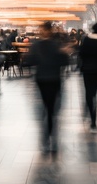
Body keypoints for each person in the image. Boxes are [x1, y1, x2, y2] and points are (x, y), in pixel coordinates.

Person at [24, 21, 70, 153]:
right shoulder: (57, 45)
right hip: (54, 79)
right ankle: (52, 139)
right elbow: (64, 61)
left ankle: (45, 140)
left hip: (42, 79)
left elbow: (29, 61)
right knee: (52, 111)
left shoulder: (36, 45)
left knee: (45, 110)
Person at [79, 23, 97, 132]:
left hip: (87, 69)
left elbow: (81, 53)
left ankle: (89, 110)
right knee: (94, 93)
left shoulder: (86, 39)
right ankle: (93, 122)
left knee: (88, 92)